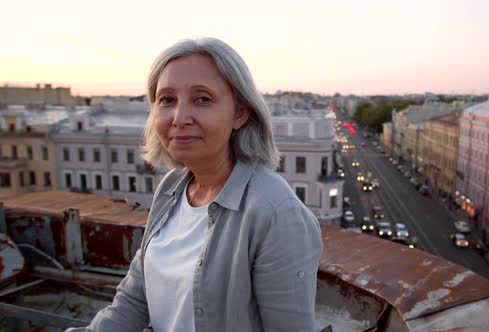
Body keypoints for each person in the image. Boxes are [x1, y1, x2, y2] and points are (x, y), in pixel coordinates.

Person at [68, 37, 323, 331]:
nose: (179, 117)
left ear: (240, 113)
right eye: (167, 100)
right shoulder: (171, 189)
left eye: (202, 99)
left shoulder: (275, 212)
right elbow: (135, 299)